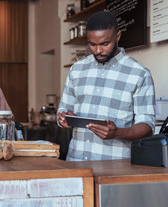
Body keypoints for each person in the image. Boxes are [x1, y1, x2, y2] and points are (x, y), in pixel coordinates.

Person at [57, 11, 156, 161]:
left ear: (118, 36)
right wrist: (64, 118)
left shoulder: (139, 74)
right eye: (92, 44)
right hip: (75, 164)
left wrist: (117, 133)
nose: (98, 50)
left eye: (105, 44)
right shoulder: (77, 69)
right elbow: (63, 109)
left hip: (115, 168)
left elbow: (148, 126)